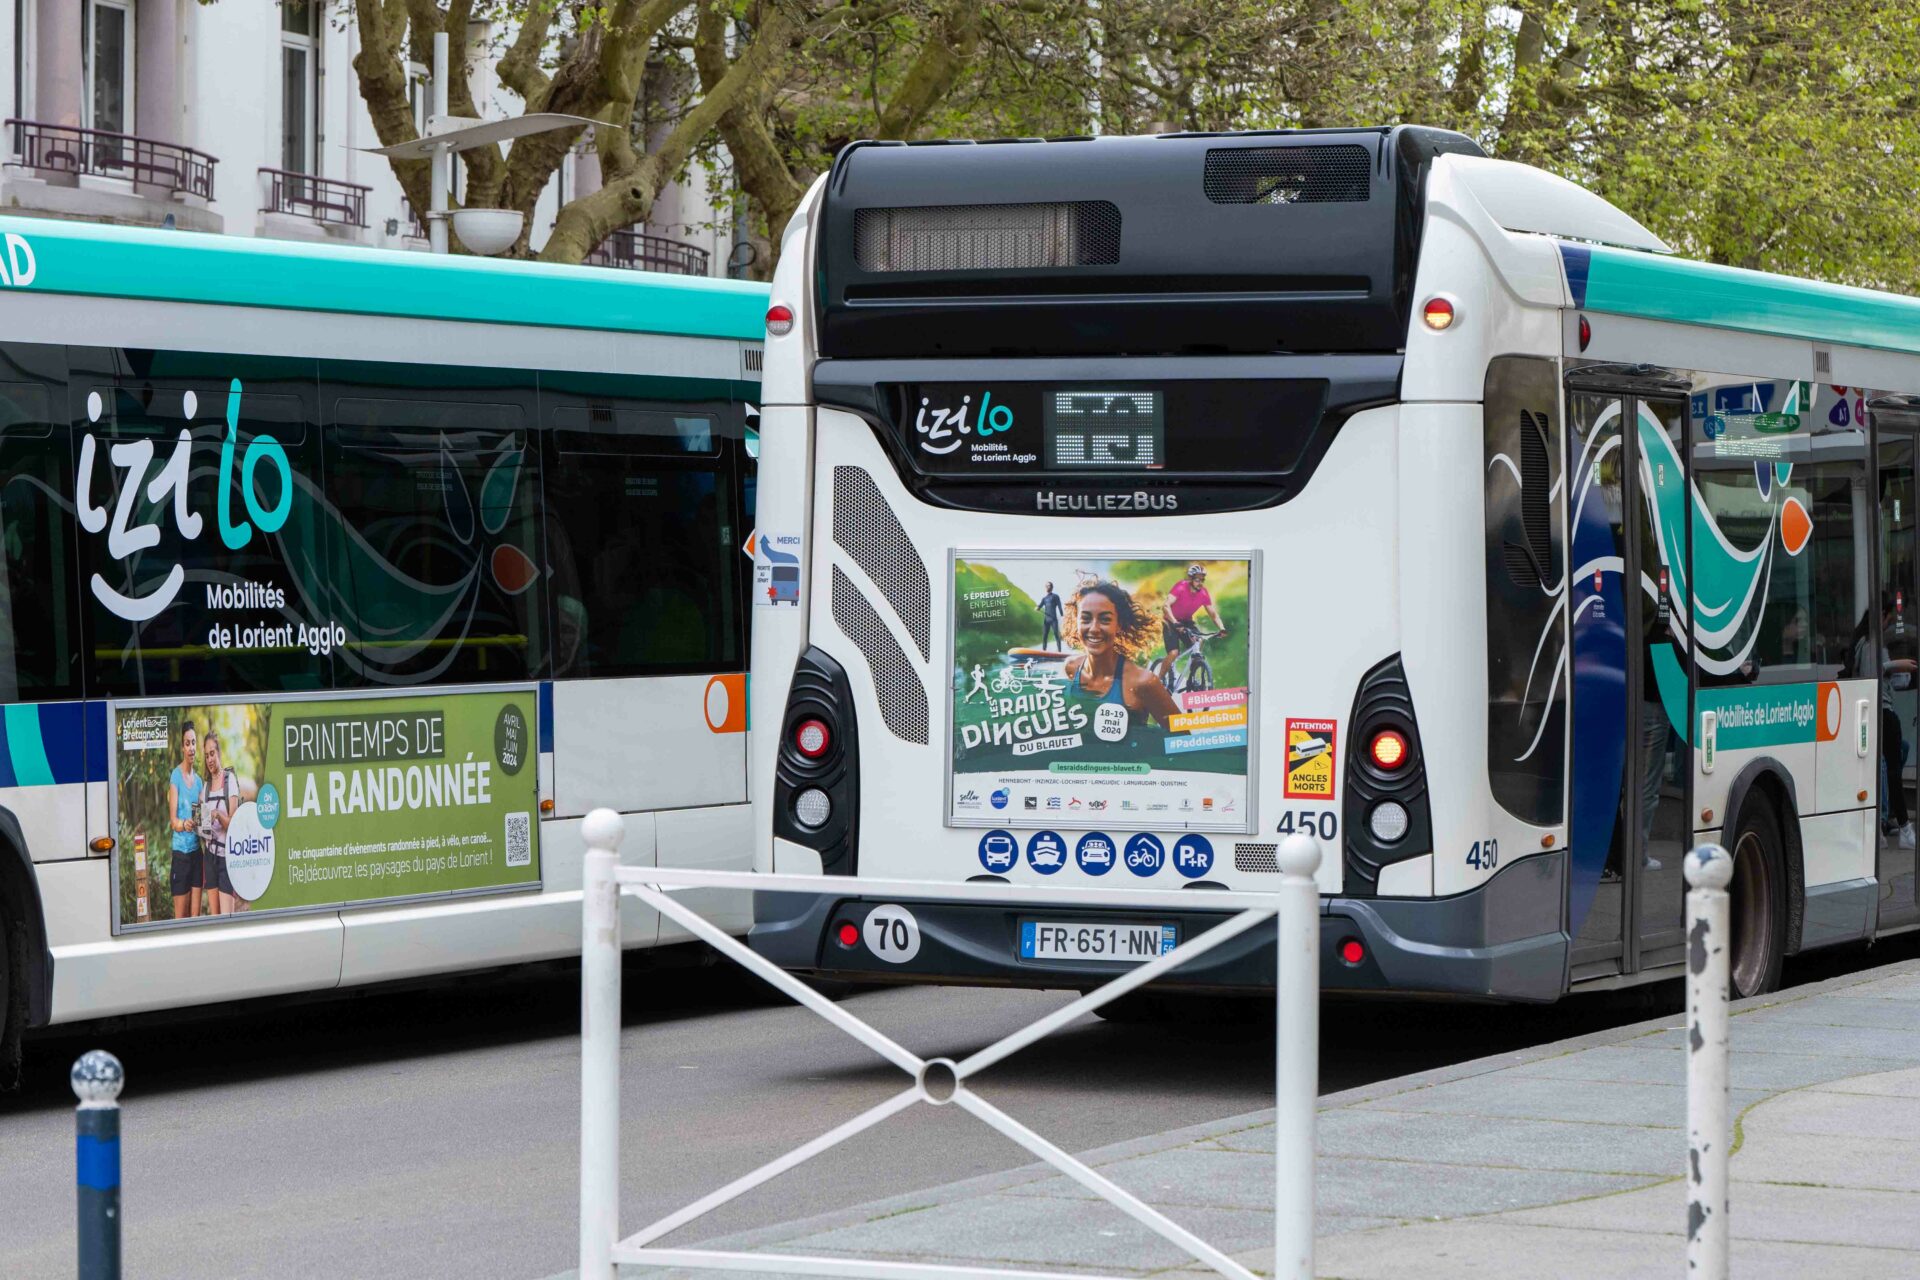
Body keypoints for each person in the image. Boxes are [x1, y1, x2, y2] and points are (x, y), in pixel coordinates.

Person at [1064, 581, 1182, 727]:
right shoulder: (1070, 668)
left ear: (1119, 624)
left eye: (1105, 619)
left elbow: (1183, 740)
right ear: (1076, 621)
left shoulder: (1143, 682)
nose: (1094, 628)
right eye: (1086, 618)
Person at [199, 730, 257, 916]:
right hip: (210, 857)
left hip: (226, 858)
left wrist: (218, 815)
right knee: (214, 917)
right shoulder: (205, 788)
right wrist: (199, 825)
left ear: (219, 753)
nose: (210, 759)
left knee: (227, 918)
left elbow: (234, 823)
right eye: (206, 755)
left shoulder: (229, 781)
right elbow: (203, 827)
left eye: (212, 753)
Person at [1156, 565, 1227, 684]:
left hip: (1186, 621)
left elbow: (1213, 614)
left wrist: (1222, 628)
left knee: (1198, 641)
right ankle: (1158, 680)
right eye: (1197, 580)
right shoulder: (1180, 587)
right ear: (1190, 579)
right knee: (1174, 653)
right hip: (1170, 620)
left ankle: (1193, 676)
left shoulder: (1203, 594)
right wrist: (1175, 623)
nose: (1200, 583)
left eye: (1202, 580)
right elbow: (1166, 606)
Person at [168, 721, 204, 920]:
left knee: (195, 917)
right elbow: (173, 821)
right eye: (187, 743)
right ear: (182, 747)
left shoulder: (199, 781)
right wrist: (184, 824)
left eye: (193, 743)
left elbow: (199, 817)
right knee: (181, 918)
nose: (191, 747)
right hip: (180, 855)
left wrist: (202, 823)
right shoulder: (175, 776)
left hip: (196, 854)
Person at [1036, 581, 1064, 651]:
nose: (1048, 587)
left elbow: (1060, 606)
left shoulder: (1055, 596)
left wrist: (1062, 615)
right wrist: (1037, 608)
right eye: (1047, 586)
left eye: (1049, 586)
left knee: (1056, 635)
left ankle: (1059, 652)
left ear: (1052, 587)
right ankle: (1043, 651)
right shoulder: (1044, 598)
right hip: (1046, 620)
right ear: (1045, 587)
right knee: (1045, 636)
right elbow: (1040, 606)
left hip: (1053, 619)